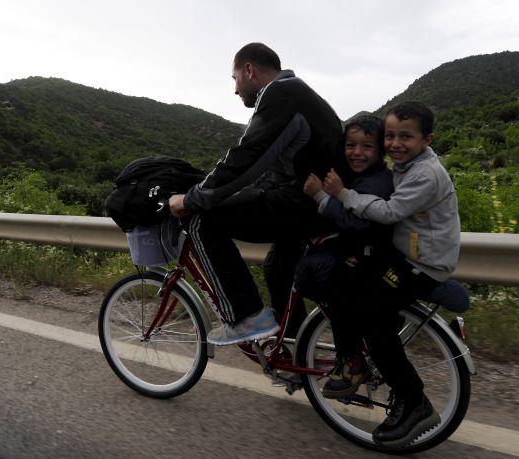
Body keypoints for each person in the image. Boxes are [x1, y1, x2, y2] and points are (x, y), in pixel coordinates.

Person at [168, 42, 342, 345]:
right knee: (278, 268)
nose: (235, 89)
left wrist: (193, 198)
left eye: (234, 78)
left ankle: (246, 317)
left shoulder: (279, 93)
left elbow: (246, 158)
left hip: (307, 202)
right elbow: (273, 169)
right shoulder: (297, 93)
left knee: (203, 221)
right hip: (320, 203)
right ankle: (296, 348)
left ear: (249, 71)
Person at [321, 101, 460, 446]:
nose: (396, 144)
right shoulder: (408, 165)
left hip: (422, 265)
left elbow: (388, 211)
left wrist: (341, 194)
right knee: (343, 280)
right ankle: (351, 362)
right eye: (392, 136)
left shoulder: (426, 174)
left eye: (406, 137)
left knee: (373, 319)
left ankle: (414, 402)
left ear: (427, 138)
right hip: (408, 256)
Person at [295, 112, 393, 398]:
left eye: (366, 146)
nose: (357, 152)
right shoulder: (363, 175)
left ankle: (351, 359)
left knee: (327, 276)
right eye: (351, 145)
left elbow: (358, 223)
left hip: (369, 256)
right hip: (362, 251)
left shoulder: (379, 181)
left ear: (380, 150)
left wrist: (322, 196)